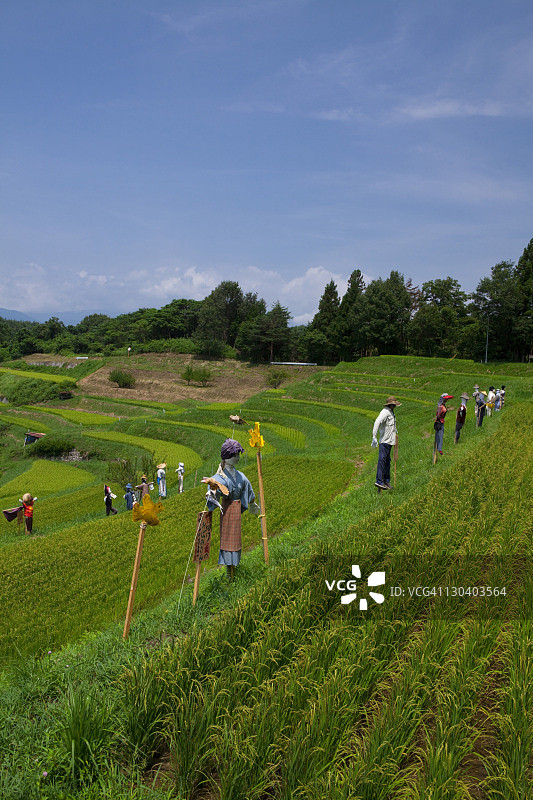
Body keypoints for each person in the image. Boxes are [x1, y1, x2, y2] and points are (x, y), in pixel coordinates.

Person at [206, 438, 260, 579]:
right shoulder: (221, 476)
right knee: (228, 540)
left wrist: (252, 502)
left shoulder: (240, 476)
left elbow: (247, 486)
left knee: (236, 540)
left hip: (236, 511)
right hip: (228, 509)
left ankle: (233, 570)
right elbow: (215, 485)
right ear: (227, 456)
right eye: (235, 455)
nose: (237, 458)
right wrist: (212, 492)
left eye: (238, 455)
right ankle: (229, 572)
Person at [371, 396, 401, 490]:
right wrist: (374, 436)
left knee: (387, 462)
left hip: (390, 441)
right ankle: (379, 481)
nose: (395, 406)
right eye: (394, 404)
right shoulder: (385, 412)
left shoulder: (391, 412)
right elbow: (377, 422)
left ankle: (386, 482)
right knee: (382, 461)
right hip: (384, 441)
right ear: (391, 404)